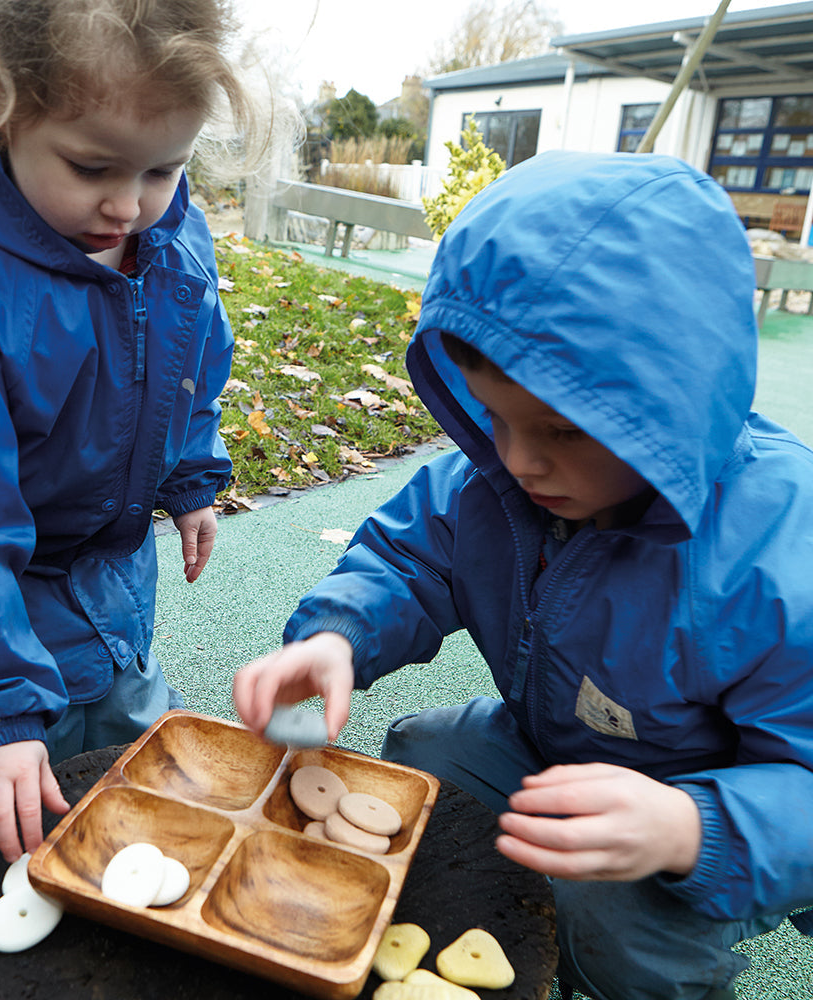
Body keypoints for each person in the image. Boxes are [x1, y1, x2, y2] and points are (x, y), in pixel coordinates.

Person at [233, 150, 813, 1000]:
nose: (519, 459)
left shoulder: (778, 554)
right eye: (495, 417)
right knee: (417, 764)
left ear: (673, 407)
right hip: (546, 744)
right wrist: (338, 635)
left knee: (611, 927)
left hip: (696, 812)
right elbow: (406, 555)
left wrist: (691, 828)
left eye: (564, 431)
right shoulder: (496, 480)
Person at [0, 0, 286, 863]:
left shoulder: (169, 237)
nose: (130, 206)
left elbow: (190, 363)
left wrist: (190, 474)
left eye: (165, 168)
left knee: (131, 751)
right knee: (21, 799)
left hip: (111, 580)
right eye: (92, 166)